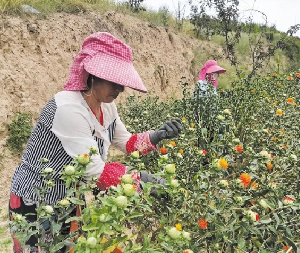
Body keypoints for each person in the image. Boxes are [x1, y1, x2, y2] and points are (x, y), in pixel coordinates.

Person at [8, 32, 182, 253]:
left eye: (122, 83)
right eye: (114, 82)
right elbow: (96, 173)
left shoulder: (106, 106)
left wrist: (155, 136)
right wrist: (143, 180)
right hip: (37, 199)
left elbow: (126, 142)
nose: (120, 89)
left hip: (69, 198)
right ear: (92, 75)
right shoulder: (68, 109)